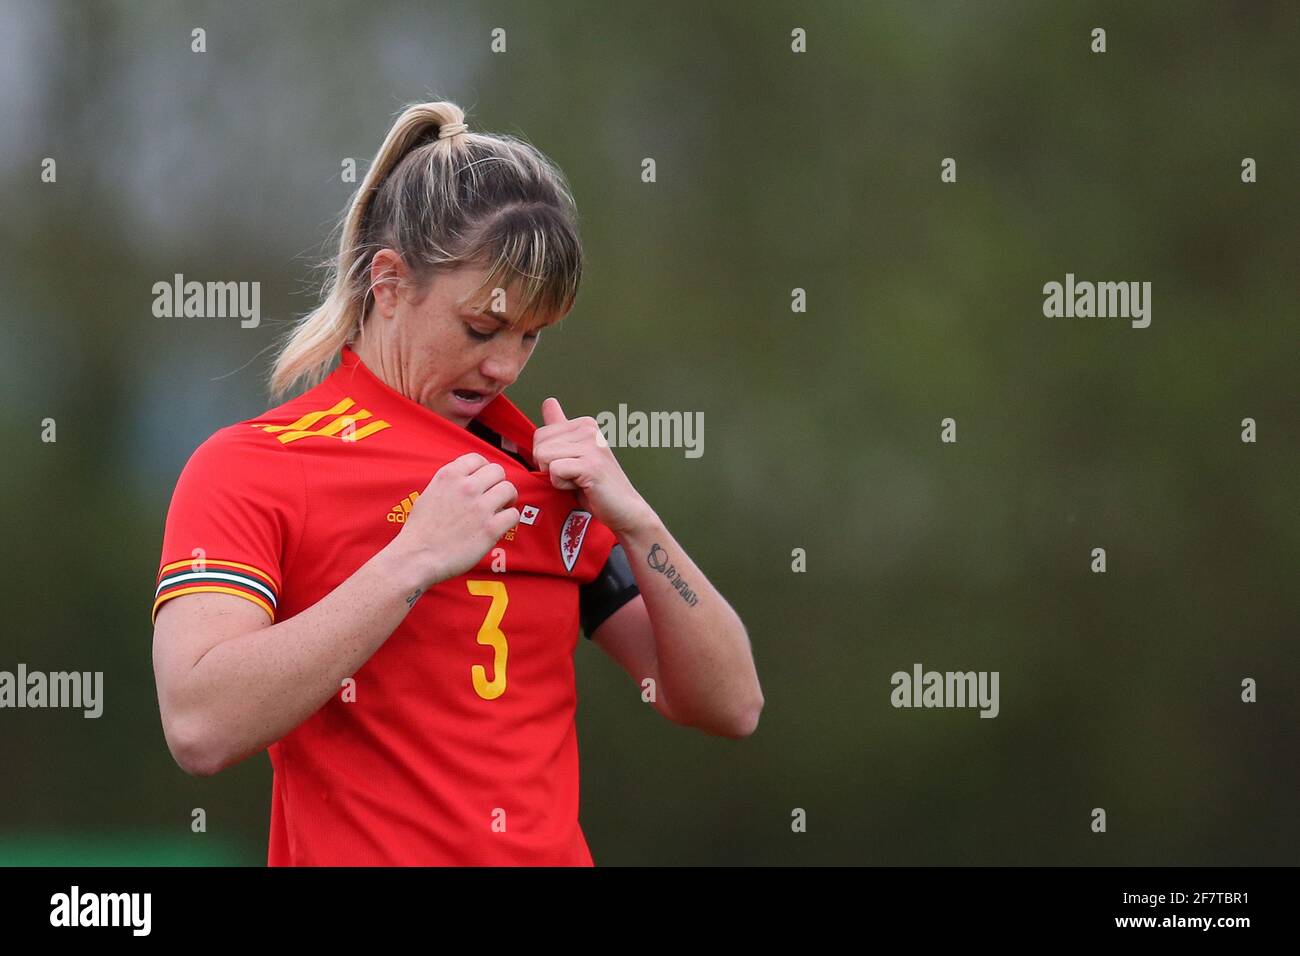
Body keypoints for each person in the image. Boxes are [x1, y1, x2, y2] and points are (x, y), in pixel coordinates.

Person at [151, 101, 763, 866]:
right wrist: (412, 561)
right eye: (481, 328)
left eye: (531, 335)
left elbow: (729, 703)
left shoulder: (541, 474)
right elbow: (200, 726)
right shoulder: (256, 465)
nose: (505, 365)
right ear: (389, 283)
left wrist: (639, 524)